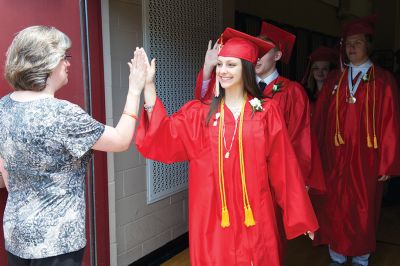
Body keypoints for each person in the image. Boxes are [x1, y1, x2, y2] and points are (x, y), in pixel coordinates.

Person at [136, 27, 318, 266]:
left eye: (231, 65)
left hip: (254, 211)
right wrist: (149, 87)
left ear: (247, 68)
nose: (222, 71)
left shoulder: (266, 112)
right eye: (220, 64)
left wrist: (300, 215)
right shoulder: (199, 114)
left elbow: (283, 165)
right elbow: (163, 136)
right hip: (212, 214)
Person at [0, 26, 147, 265]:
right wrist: (134, 89)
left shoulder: (4, 107)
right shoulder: (62, 114)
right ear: (46, 63)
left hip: (16, 235)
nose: (68, 63)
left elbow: (5, 166)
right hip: (57, 243)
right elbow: (120, 140)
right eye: (63, 57)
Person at [194, 22, 325, 193]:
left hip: (275, 176)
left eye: (262, 52)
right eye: (253, 51)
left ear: (277, 55)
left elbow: (300, 138)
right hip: (237, 171)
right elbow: (205, 107)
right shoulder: (235, 86)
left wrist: (299, 178)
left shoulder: (293, 91)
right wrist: (208, 68)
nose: (256, 57)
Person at [312, 15, 400, 266]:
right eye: (348, 43)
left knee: (363, 208)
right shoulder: (334, 79)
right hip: (335, 157)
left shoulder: (383, 80)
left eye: (358, 42)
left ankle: (361, 259)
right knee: (336, 206)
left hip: (366, 158)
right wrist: (315, 156)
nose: (351, 47)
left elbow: (391, 123)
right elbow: (319, 120)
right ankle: (337, 256)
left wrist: (388, 162)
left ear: (368, 45)